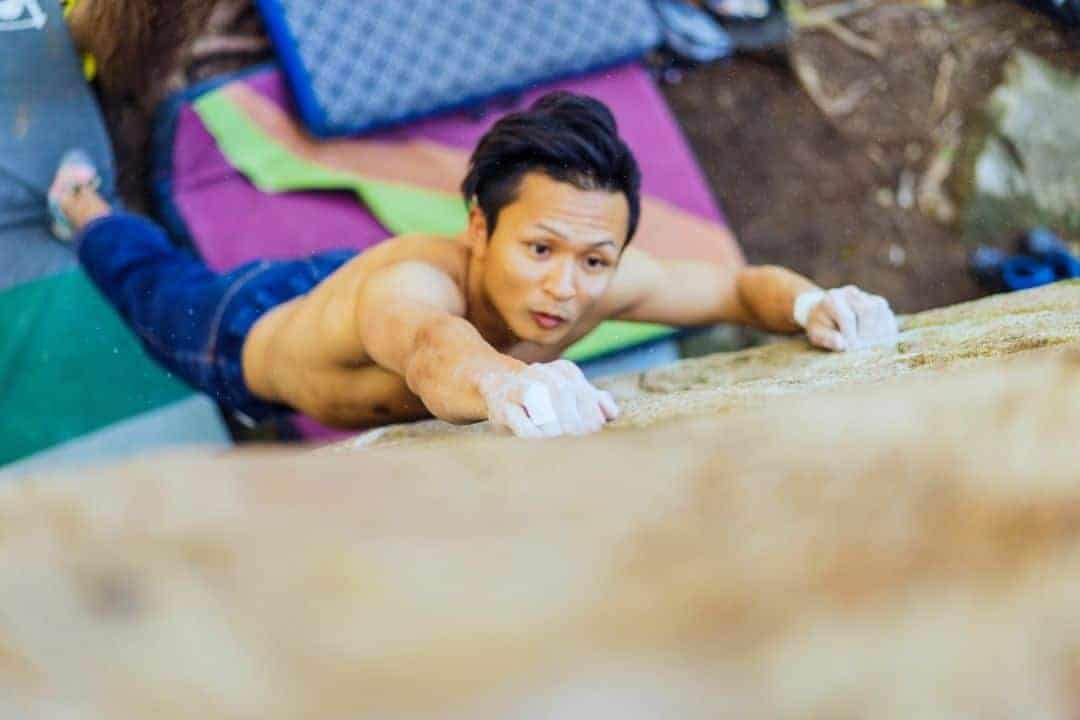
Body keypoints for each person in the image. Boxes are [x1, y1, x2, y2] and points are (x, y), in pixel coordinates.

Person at [48, 92, 898, 439]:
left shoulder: (597, 281)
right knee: (151, 288)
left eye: (595, 257)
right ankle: (85, 209)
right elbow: (427, 348)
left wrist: (814, 303)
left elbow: (734, 286)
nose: (568, 288)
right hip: (245, 338)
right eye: (540, 249)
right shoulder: (413, 292)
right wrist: (499, 386)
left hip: (343, 291)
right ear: (478, 226)